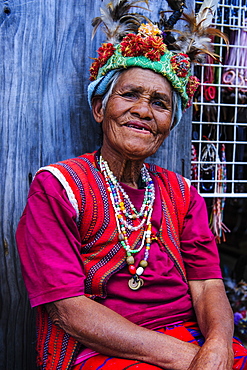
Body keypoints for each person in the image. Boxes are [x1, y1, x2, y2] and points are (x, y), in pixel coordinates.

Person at [16, 1, 247, 369]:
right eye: (129, 94)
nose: (143, 110)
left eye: (160, 102)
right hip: (100, 351)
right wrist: (193, 360)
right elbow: (69, 310)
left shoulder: (183, 195)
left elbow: (208, 285)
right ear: (99, 109)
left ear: (170, 124)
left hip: (192, 339)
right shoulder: (58, 188)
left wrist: (219, 348)